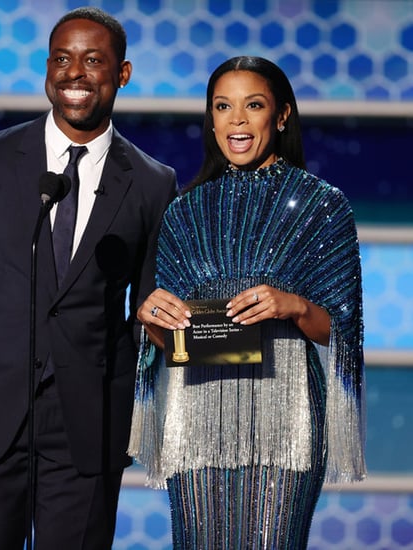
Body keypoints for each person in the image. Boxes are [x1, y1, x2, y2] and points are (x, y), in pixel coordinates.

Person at [0, 7, 176, 550]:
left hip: (88, 425)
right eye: (62, 59)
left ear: (123, 74)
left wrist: (111, 375)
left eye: (93, 60)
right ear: (46, 68)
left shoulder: (154, 184)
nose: (74, 74)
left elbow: (149, 305)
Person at [128, 56, 366, 549]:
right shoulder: (184, 212)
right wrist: (150, 318)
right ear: (211, 119)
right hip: (195, 417)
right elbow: (175, 342)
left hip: (287, 416)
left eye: (252, 105)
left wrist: (294, 306)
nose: (236, 119)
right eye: (223, 106)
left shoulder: (322, 206)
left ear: (281, 116)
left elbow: (342, 331)